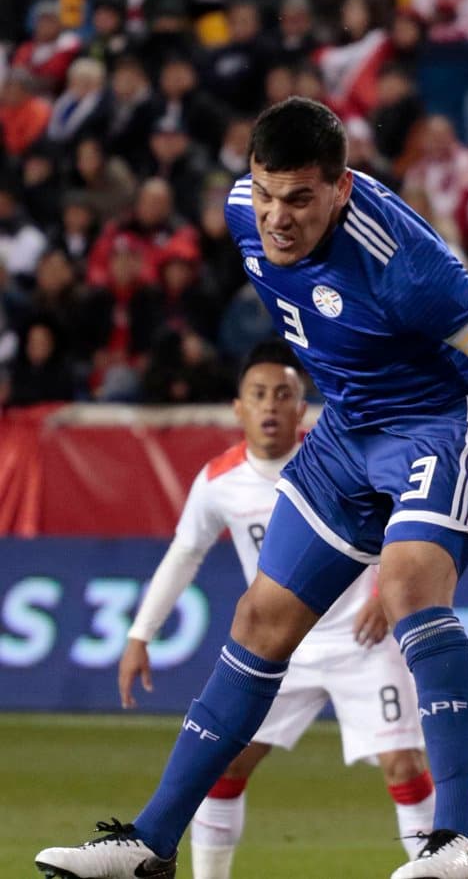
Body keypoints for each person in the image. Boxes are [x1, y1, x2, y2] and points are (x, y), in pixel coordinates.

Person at [35, 97, 468, 879]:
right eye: (266, 192)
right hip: (347, 429)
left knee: (411, 579)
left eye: (301, 198)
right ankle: (149, 843)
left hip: (445, 421)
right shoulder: (240, 213)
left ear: (342, 188)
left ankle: (460, 842)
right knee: (259, 616)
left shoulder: (408, 265)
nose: (278, 217)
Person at [118, 340, 434, 878]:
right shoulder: (220, 481)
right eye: (258, 394)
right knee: (227, 762)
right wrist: (139, 634)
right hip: (280, 647)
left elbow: (402, 518)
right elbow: (185, 552)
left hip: (363, 643)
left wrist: (384, 589)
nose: (269, 405)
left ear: (301, 408)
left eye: (283, 394)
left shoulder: (339, 462)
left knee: (404, 765)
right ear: (238, 407)